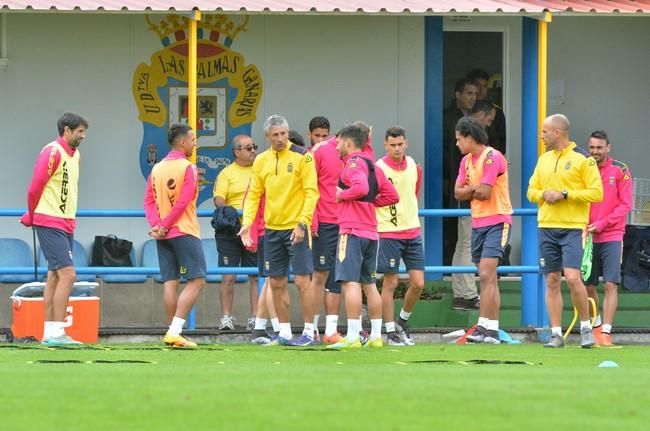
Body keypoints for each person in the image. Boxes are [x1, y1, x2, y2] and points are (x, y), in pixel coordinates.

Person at [240, 115, 319, 346]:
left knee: (304, 281)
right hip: (272, 229)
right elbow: (254, 194)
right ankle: (284, 332)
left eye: (283, 133)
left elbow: (311, 192)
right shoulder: (261, 160)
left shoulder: (304, 157)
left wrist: (303, 223)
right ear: (268, 137)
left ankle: (308, 332)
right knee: (275, 282)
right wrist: (247, 222)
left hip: (296, 228)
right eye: (275, 135)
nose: (281, 138)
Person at [527, 114, 603, 348]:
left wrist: (565, 194)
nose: (542, 136)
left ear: (557, 132)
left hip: (572, 228)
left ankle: (586, 328)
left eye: (545, 132)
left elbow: (596, 192)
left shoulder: (583, 159)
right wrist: (544, 195)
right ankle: (556, 333)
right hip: (547, 226)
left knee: (572, 278)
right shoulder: (543, 160)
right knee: (551, 279)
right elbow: (531, 191)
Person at [328, 124, 399, 349]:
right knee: (369, 284)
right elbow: (392, 195)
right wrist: (369, 203)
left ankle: (352, 337)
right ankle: (376, 337)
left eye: (339, 142)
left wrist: (343, 196)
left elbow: (359, 187)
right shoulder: (373, 165)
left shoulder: (353, 162)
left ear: (349, 143)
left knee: (350, 284)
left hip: (351, 230)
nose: (336, 145)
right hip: (371, 232)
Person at [19, 113, 88, 346]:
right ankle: (58, 333)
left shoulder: (76, 155)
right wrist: (31, 214)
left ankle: (49, 333)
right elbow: (34, 187)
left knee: (54, 277)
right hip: (50, 221)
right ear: (66, 130)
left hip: (66, 221)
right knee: (69, 275)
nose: (83, 136)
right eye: (79, 131)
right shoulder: (52, 152)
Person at [144, 123, 206, 348]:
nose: (194, 143)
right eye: (192, 139)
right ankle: (175, 331)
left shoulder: (157, 168)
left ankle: (172, 333)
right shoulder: (188, 168)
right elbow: (184, 201)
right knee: (197, 280)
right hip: (184, 231)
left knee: (171, 281)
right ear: (182, 142)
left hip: (163, 234)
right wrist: (167, 224)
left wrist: (157, 225)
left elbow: (149, 201)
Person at [454, 117, 513, 344]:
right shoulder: (466, 161)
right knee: (486, 277)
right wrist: (472, 189)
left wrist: (469, 189)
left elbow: (485, 192)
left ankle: (486, 327)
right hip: (478, 221)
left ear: (470, 137)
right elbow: (458, 193)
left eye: (460, 139)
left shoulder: (492, 156)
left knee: (488, 274)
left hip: (497, 219)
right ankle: (489, 329)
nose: (458, 144)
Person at [375, 127, 424, 346]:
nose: (396, 148)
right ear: (385, 145)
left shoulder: (414, 165)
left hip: (412, 230)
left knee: (418, 283)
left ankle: (402, 322)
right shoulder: (378, 167)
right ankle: (389, 331)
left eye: (400, 144)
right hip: (388, 232)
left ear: (406, 143)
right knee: (390, 282)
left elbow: (413, 193)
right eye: (392, 145)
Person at [584, 131, 633, 346]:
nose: (595, 152)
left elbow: (625, 205)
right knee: (587, 285)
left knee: (611, 284)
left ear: (608, 148)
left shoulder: (620, 170)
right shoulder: (583, 168)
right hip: (586, 236)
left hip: (612, 235)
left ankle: (606, 332)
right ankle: (596, 327)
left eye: (599, 147)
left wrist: (602, 224)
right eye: (592, 147)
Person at [212, 135, 259, 331]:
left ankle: (256, 318)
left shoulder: (260, 170)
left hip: (253, 227)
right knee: (228, 276)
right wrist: (231, 213)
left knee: (255, 276)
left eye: (254, 147)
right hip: (231, 229)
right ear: (236, 152)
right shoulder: (226, 173)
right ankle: (226, 318)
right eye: (248, 148)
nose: (253, 151)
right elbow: (219, 200)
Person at [443, 78, 480, 309]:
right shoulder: (469, 158)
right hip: (471, 204)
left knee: (463, 244)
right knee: (466, 245)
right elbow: (470, 189)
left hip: (468, 202)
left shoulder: (477, 158)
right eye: (469, 92)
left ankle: (461, 292)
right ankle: (467, 293)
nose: (473, 97)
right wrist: (474, 189)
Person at [308, 116, 344, 344]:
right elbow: (309, 187)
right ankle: (310, 328)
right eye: (317, 135)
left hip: (347, 223)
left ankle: (330, 332)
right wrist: (313, 219)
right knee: (319, 274)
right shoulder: (317, 153)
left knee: (339, 278)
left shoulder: (356, 154)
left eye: (325, 135)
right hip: (324, 222)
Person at [467, 68, 507, 155]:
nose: (481, 90)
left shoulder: (496, 112)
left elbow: (502, 142)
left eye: (484, 86)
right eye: (478, 85)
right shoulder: (465, 109)